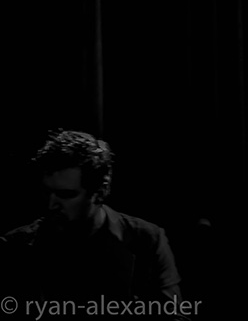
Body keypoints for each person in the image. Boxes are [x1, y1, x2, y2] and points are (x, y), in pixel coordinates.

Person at [0, 129, 192, 320]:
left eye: (66, 195)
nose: (51, 204)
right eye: (47, 192)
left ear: (100, 192)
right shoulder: (16, 248)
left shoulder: (147, 240)